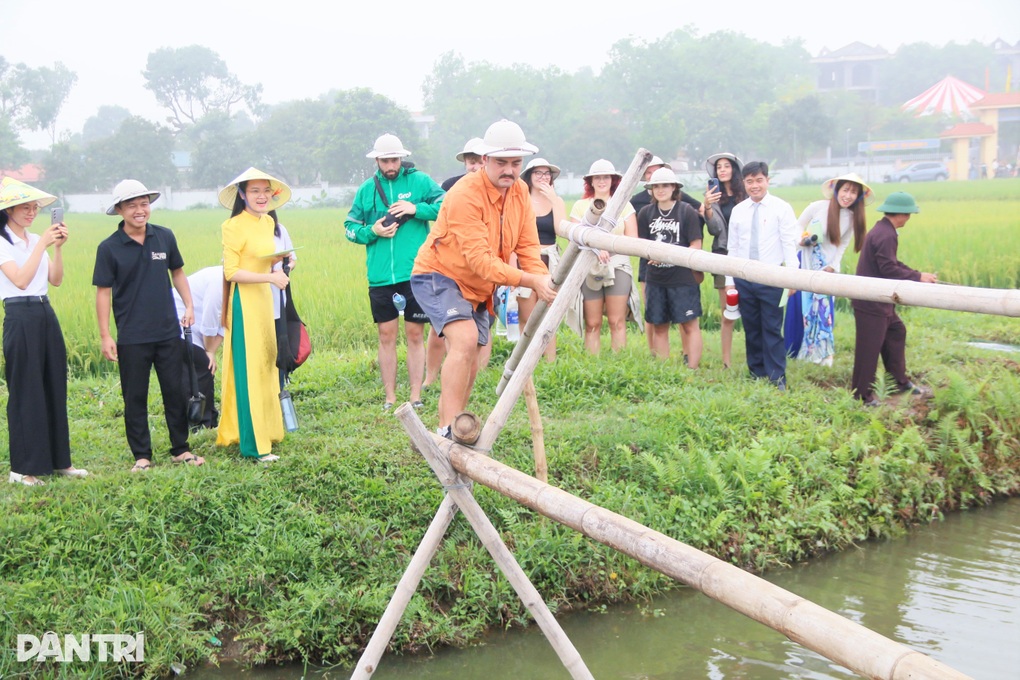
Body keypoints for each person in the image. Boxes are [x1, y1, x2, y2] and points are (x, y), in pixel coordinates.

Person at [411, 119, 556, 439]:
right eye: (501, 162)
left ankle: (457, 427)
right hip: (440, 274)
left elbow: (528, 247)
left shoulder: (519, 192)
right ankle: (447, 429)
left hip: (479, 286)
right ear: (485, 159)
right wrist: (530, 281)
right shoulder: (465, 194)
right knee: (463, 339)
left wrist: (545, 281)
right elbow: (480, 261)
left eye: (515, 163)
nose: (509, 170)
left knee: (474, 354)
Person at [93, 179, 202, 471]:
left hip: (168, 332)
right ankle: (142, 456)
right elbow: (103, 292)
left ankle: (181, 449)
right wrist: (105, 335)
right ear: (119, 210)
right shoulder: (109, 248)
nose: (140, 210)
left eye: (144, 204)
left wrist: (189, 305)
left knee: (175, 392)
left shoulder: (164, 237)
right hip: (132, 336)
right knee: (135, 397)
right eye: (132, 206)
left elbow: (177, 273)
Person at [345, 134, 444, 411]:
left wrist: (416, 208)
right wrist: (372, 231)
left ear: (401, 158)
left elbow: (446, 206)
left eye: (395, 160)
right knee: (386, 336)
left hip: (415, 273)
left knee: (415, 334)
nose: (391, 165)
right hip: (379, 277)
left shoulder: (419, 181)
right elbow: (349, 228)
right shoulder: (366, 190)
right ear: (377, 160)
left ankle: (415, 395)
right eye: (385, 160)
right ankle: (389, 397)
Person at [0, 178, 86, 486]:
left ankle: (61, 461)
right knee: (26, 390)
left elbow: (56, 279)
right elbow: (21, 280)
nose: (31, 212)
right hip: (19, 314)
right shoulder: (3, 243)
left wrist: (57, 248)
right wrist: (41, 245)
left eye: (34, 207)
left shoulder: (36, 239)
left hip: (44, 312)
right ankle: (23, 469)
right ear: (8, 210)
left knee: (54, 384)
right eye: (24, 207)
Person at [216, 168, 291, 462]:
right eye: (255, 191)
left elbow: (261, 260)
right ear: (242, 194)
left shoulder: (268, 222)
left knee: (265, 366)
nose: (262, 197)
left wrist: (277, 262)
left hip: (264, 300)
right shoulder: (232, 226)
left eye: (266, 191)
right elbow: (231, 272)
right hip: (244, 303)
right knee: (248, 372)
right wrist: (270, 277)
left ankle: (267, 432)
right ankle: (254, 446)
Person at [851, 192, 936, 406]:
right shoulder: (886, 235)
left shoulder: (884, 230)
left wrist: (918, 275)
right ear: (902, 214)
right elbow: (888, 269)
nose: (909, 218)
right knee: (869, 348)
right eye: (909, 214)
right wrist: (917, 277)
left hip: (881, 300)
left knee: (896, 331)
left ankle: (898, 382)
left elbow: (892, 263)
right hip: (871, 301)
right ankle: (861, 396)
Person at [724, 161, 799, 390]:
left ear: (767, 180)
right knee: (752, 327)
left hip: (772, 277)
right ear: (743, 183)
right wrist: (729, 281)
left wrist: (792, 277)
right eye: (749, 181)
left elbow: (789, 244)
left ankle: (777, 378)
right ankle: (756, 373)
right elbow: (732, 248)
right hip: (744, 276)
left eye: (759, 180)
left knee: (772, 328)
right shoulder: (738, 210)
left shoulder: (781, 208)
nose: (754, 186)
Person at [784, 173, 872, 366]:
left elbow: (843, 244)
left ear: (858, 196)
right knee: (801, 306)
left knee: (824, 310)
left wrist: (833, 265)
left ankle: (821, 352)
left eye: (853, 192)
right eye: (845, 190)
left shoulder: (852, 218)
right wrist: (801, 240)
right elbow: (798, 226)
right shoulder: (817, 207)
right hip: (805, 263)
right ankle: (795, 351)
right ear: (837, 190)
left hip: (827, 269)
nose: (848, 196)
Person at [631, 155, 704, 357]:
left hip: (683, 278)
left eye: (665, 185)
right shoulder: (645, 213)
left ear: (674, 188)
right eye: (656, 186)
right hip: (656, 278)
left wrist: (670, 256)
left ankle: (692, 367)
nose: (661, 190)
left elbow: (696, 243)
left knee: (689, 324)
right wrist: (651, 254)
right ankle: (664, 369)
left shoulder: (686, 211)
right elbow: (641, 244)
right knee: (659, 326)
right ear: (651, 189)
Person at [427, 137, 485, 387]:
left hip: (482, 268)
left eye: (480, 161)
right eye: (471, 161)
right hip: (449, 266)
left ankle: (476, 376)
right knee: (440, 324)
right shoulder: (451, 187)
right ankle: (431, 377)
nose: (475, 167)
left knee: (481, 324)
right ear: (465, 163)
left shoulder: (498, 191)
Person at [570, 159, 640, 354]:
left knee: (616, 320)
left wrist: (608, 248)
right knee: (592, 322)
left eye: (606, 177)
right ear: (591, 182)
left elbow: (632, 239)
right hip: (589, 266)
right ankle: (592, 363)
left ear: (613, 180)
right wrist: (595, 248)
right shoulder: (580, 206)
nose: (602, 181)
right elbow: (574, 237)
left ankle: (619, 362)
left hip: (617, 265)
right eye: (597, 177)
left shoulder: (624, 206)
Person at [519, 157, 568, 361]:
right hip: (525, 260)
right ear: (529, 177)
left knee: (548, 314)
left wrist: (554, 200)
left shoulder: (557, 201)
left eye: (546, 173)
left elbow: (561, 230)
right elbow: (514, 236)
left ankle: (550, 361)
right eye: (538, 173)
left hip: (550, 261)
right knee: (527, 316)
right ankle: (525, 361)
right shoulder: (521, 201)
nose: (542, 177)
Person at [702, 152, 747, 368]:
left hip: (747, 256)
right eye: (718, 167)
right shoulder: (714, 197)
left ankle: (753, 356)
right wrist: (708, 207)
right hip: (722, 254)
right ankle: (726, 361)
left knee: (751, 311)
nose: (722, 170)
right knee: (728, 312)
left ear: (734, 169)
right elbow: (714, 230)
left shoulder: (746, 194)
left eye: (726, 166)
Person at [173, 265, 225, 429]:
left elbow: (226, 324)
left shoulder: (239, 285)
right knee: (202, 366)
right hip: (179, 319)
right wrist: (208, 351)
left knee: (203, 366)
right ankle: (200, 422)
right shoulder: (219, 282)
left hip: (197, 325)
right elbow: (210, 321)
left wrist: (211, 350)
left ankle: (207, 419)